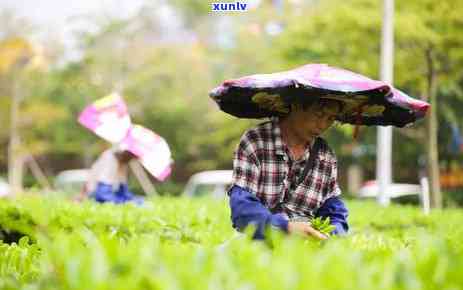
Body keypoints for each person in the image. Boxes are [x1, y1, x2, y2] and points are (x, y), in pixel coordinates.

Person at [229, 98, 349, 240]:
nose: (323, 125)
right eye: (319, 114)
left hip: (307, 245)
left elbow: (334, 210)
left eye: (331, 118)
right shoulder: (256, 141)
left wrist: (331, 234)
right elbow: (242, 208)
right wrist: (284, 227)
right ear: (295, 105)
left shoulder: (326, 156)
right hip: (258, 243)